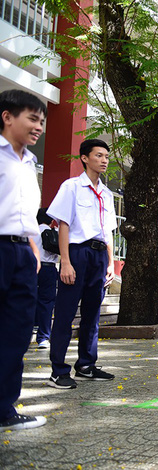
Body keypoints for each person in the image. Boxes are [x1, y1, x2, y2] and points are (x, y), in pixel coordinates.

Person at [47, 138, 117, 389]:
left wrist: (111, 263)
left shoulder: (107, 194)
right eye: (99, 155)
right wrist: (65, 262)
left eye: (106, 156)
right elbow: (63, 225)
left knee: (92, 314)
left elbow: (108, 231)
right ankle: (58, 370)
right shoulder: (72, 187)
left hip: (99, 257)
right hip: (77, 253)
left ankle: (86, 365)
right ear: (85, 158)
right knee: (66, 313)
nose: (104, 160)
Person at [0, 89, 48, 430]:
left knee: (17, 333)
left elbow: (27, 213)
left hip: (21, 254)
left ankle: (5, 409)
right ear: (7, 117)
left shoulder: (30, 163)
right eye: (32, 119)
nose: (39, 127)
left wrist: (32, 248)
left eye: (42, 121)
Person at [32, 208, 59, 349]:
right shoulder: (54, 233)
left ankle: (32, 326)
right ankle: (43, 337)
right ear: (51, 220)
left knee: (30, 298)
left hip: (31, 267)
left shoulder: (31, 232)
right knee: (47, 302)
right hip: (48, 268)